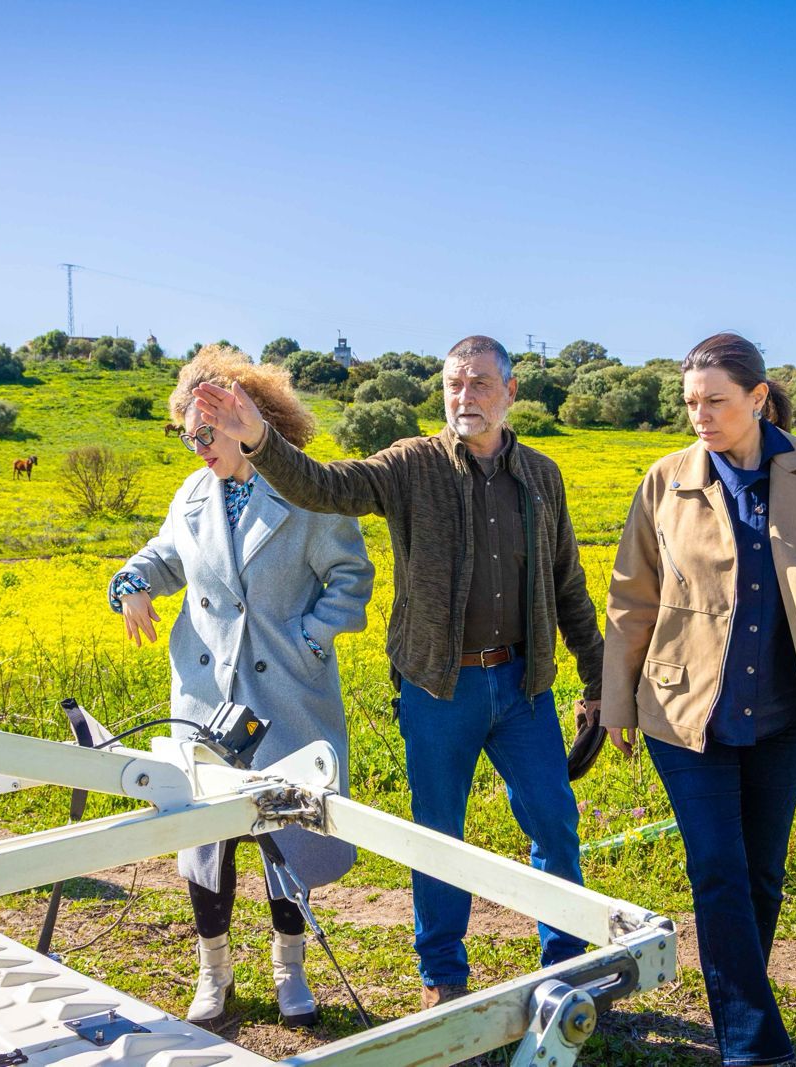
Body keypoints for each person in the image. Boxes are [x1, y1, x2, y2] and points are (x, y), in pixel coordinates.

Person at [193, 335, 604, 1008]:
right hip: (439, 687)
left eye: (479, 383)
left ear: (511, 391)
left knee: (554, 825)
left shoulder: (542, 476)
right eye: (453, 384)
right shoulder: (413, 464)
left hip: (524, 688)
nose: (464, 396)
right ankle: (443, 979)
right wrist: (261, 440)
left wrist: (598, 681)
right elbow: (326, 487)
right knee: (437, 837)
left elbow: (568, 585)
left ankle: (566, 972)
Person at [601, 332, 796, 1067]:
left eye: (715, 401)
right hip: (684, 712)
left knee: (762, 874)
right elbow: (631, 599)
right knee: (718, 869)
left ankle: (741, 1003)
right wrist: (616, 703)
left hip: (786, 715)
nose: (700, 416)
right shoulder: (664, 481)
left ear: (758, 398)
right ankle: (752, 1044)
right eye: (690, 403)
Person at [110, 345, 373, 1027]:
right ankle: (214, 970)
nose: (198, 448)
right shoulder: (192, 493)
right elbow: (165, 556)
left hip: (286, 692)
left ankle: (291, 967)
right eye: (188, 436)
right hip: (205, 697)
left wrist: (310, 638)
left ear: (245, 418)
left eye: (208, 432)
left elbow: (351, 576)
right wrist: (132, 582)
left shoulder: (307, 489)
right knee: (207, 840)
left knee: (288, 833)